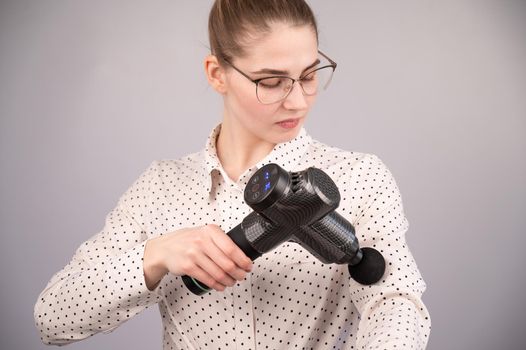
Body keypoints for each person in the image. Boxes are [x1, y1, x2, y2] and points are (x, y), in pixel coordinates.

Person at [34, 0, 431, 348]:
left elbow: (395, 302)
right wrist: (155, 255)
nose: (297, 100)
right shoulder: (160, 187)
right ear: (216, 73)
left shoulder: (360, 177)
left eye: (309, 76)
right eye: (271, 82)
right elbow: (52, 318)